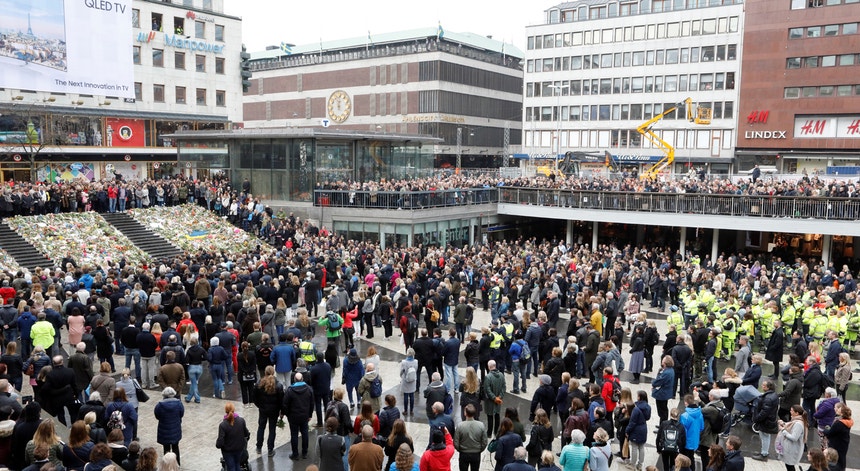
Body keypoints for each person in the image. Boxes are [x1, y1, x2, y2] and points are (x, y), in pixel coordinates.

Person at [253, 365, 284, 457]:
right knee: (272, 429)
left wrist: (260, 406)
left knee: (261, 427)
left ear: (265, 373)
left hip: (263, 410)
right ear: (273, 373)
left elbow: (254, 398)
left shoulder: (259, 384)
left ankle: (259, 447)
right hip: (274, 410)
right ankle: (270, 449)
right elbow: (281, 400)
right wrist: (281, 411)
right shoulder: (278, 385)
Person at [282, 371, 314, 460]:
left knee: (294, 435)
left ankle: (295, 454)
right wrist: (310, 414)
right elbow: (312, 403)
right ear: (302, 379)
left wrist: (287, 414)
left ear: (294, 379)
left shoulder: (290, 390)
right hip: (304, 415)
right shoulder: (309, 389)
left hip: (293, 416)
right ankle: (304, 452)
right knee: (305, 433)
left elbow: (285, 404)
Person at [153, 386, 184, 465]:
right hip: (175, 429)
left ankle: (167, 465)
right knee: (175, 447)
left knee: (166, 448)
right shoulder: (179, 404)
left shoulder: (159, 405)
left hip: (164, 430)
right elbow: (181, 414)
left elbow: (157, 416)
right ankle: (177, 464)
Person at [752, 379, 780, 462]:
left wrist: (757, 418)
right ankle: (763, 451)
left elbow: (764, 412)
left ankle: (764, 454)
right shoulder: (773, 395)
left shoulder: (768, 398)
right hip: (769, 420)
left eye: (764, 385)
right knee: (765, 437)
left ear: (768, 387)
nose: (762, 386)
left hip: (766, 421)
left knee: (764, 437)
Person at [216, 402, 249, 471]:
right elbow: (246, 434)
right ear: (234, 410)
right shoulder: (241, 421)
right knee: (237, 465)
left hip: (228, 451)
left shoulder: (223, 425)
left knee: (231, 467)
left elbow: (220, 443)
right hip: (239, 449)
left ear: (226, 411)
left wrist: (219, 445)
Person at [454, 403, 487, 471]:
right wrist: (479, 450)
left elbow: (456, 442)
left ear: (465, 413)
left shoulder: (460, 425)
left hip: (464, 453)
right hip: (476, 454)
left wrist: (460, 450)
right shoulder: (481, 425)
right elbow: (484, 441)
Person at [776, 404, 807, 471]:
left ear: (797, 413)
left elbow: (794, 438)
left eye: (792, 410)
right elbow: (790, 426)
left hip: (792, 450)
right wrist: (783, 423)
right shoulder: (796, 420)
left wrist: (783, 430)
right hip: (791, 448)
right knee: (789, 465)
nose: (790, 411)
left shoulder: (798, 424)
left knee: (790, 466)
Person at [626, 390, 651, 471]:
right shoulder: (648, 407)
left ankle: (633, 465)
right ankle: (640, 465)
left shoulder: (636, 408)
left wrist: (627, 430)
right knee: (641, 447)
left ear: (639, 397)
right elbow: (647, 418)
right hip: (643, 428)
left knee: (634, 447)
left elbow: (632, 422)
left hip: (636, 430)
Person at [823, 402, 852, 471]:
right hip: (843, 443)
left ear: (840, 411)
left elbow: (829, 433)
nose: (834, 409)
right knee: (842, 458)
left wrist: (825, 429)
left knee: (835, 459)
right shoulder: (847, 421)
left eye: (835, 407)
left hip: (836, 444)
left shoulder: (839, 423)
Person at [483, 359, 506, 438]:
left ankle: (489, 433)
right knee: (497, 415)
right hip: (498, 400)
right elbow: (504, 387)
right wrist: (499, 397)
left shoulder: (488, 377)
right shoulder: (501, 375)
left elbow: (487, 389)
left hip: (490, 401)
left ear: (489, 367)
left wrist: (494, 398)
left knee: (490, 416)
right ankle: (496, 432)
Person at [679, 394, 703, 465]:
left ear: (686, 403)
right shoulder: (700, 414)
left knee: (684, 460)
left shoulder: (684, 416)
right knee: (691, 458)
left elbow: (682, 431)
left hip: (686, 442)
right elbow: (701, 427)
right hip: (695, 441)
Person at [652, 356, 675, 425]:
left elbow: (657, 381)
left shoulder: (666, 373)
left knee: (662, 411)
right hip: (665, 393)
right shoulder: (670, 370)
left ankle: (662, 425)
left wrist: (653, 383)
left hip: (662, 394)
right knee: (664, 410)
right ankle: (662, 424)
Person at [399, 348, 418, 416]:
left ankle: (405, 410)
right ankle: (411, 410)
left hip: (405, 380)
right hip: (412, 380)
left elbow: (401, 372)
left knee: (406, 396)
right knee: (412, 395)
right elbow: (416, 370)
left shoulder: (404, 362)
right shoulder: (416, 361)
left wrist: (401, 376)